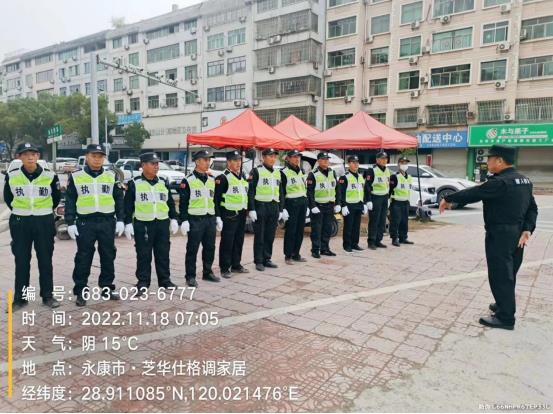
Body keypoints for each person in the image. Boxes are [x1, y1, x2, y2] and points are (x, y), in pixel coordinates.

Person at [439, 144, 538, 330]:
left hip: (500, 234)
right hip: (518, 234)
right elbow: (532, 207)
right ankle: (502, 304)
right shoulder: (524, 181)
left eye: (489, 159)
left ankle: (505, 318)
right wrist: (528, 228)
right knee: (510, 272)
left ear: (499, 160)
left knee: (500, 274)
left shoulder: (500, 182)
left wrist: (449, 198)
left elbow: (475, 193)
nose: (487, 162)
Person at [65, 144, 125, 306]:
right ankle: (81, 290)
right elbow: (70, 200)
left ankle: (107, 287)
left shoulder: (111, 176)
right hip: (85, 222)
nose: (97, 159)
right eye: (94, 156)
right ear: (87, 157)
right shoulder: (76, 176)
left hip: (107, 221)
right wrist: (70, 222)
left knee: (108, 255)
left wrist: (121, 219)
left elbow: (119, 199)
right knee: (83, 256)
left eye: (100, 156)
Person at [4, 143, 61, 310]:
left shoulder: (50, 176)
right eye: (26, 154)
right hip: (20, 222)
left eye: (33, 154)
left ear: (38, 156)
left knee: (45, 259)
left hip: (43, 221)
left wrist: (42, 211)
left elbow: (56, 197)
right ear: (19, 157)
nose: (30, 157)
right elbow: (8, 198)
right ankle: (20, 299)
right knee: (21, 260)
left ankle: (47, 296)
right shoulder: (12, 176)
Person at [123, 152, 179, 292]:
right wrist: (127, 223)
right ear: (143, 165)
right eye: (153, 163)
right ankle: (143, 282)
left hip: (162, 223)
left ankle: (165, 281)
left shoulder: (163, 182)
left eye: (157, 163)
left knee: (163, 254)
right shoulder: (134, 183)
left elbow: (170, 203)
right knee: (143, 255)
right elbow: (127, 206)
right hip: (143, 224)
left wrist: (174, 218)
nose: (156, 166)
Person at [179, 150, 220, 287]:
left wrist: (217, 217)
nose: (208, 162)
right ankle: (190, 276)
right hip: (195, 220)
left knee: (210, 247)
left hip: (209, 219)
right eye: (205, 160)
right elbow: (183, 203)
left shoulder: (211, 180)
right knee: (192, 249)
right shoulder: (188, 180)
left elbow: (214, 200)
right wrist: (184, 220)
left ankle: (207, 272)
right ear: (197, 161)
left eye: (209, 160)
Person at [214, 150, 250, 279]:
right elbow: (216, 199)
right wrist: (218, 216)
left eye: (239, 160)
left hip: (241, 213)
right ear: (228, 162)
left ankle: (236, 264)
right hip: (229, 214)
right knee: (227, 242)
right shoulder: (222, 178)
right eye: (235, 160)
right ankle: (224, 268)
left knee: (239, 240)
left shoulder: (242, 177)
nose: (238, 163)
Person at [248, 148, 283, 271]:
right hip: (261, 206)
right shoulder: (256, 171)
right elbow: (251, 191)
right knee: (260, 235)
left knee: (270, 235)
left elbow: (281, 192)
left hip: (274, 206)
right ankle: (258, 260)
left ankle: (267, 258)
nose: (273, 159)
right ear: (263, 157)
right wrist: (251, 209)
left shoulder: (277, 172)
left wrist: (281, 209)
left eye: (274, 156)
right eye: (270, 156)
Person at [306, 152, 341, 258]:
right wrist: (312, 206)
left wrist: (338, 203)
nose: (326, 161)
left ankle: (325, 249)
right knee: (317, 230)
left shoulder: (332, 172)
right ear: (318, 161)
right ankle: (315, 250)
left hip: (330, 206)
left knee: (327, 228)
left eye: (327, 159)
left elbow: (337, 189)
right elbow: (309, 192)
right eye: (323, 159)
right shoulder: (313, 174)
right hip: (318, 206)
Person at [280, 149, 308, 264]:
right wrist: (282, 208)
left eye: (298, 157)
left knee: (300, 230)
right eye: (294, 157)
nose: (297, 159)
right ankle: (288, 255)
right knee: (291, 230)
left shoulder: (301, 171)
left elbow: (304, 188)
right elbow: (281, 192)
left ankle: (296, 254)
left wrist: (307, 204)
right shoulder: (283, 172)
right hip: (291, 204)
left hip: (302, 203)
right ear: (288, 158)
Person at [339, 155, 367, 252]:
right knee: (348, 226)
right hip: (349, 205)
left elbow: (362, 191)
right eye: (353, 162)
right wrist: (343, 205)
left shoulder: (360, 177)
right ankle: (347, 245)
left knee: (356, 226)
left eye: (357, 162)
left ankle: (355, 244)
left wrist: (364, 203)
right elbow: (341, 193)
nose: (356, 164)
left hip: (358, 204)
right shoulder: (344, 177)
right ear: (349, 164)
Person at [365, 151, 390, 250]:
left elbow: (387, 185)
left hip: (384, 198)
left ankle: (378, 240)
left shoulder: (387, 170)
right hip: (375, 198)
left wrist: (388, 197)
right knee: (374, 221)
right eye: (382, 159)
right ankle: (371, 241)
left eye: (385, 159)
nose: (384, 160)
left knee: (382, 220)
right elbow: (367, 186)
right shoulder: (372, 171)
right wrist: (368, 200)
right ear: (377, 160)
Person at [389, 156, 415, 247]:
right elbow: (390, 190)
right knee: (395, 221)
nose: (404, 165)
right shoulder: (394, 177)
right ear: (398, 164)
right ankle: (394, 238)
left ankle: (403, 238)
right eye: (402, 163)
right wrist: (388, 202)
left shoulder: (409, 177)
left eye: (406, 163)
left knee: (404, 221)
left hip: (405, 202)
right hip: (396, 202)